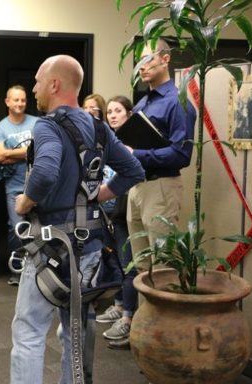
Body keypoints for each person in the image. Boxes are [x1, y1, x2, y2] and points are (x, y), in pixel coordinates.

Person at [10, 55, 144, 383]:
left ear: (55, 84)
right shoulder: (97, 126)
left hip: (52, 248)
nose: (35, 88)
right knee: (76, 327)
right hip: (91, 248)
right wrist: (96, 196)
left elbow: (43, 172)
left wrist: (24, 203)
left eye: (39, 81)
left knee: (29, 331)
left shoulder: (47, 125)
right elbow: (133, 170)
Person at [126, 38, 196, 271]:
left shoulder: (178, 102)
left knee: (163, 267)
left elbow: (181, 154)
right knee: (141, 266)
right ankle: (143, 310)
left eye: (148, 58)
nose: (142, 66)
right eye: (139, 61)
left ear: (165, 59)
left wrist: (136, 153)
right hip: (137, 186)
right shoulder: (142, 103)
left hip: (161, 187)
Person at [95, 95, 138, 351]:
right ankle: (121, 305)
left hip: (125, 212)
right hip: (111, 214)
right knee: (120, 264)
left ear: (129, 115)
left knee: (129, 266)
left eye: (118, 111)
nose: (112, 115)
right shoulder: (110, 142)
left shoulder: (132, 144)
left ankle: (128, 318)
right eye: (109, 111)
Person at [0, 85, 37, 286]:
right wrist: (26, 152)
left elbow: (38, 151)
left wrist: (11, 153)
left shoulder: (37, 123)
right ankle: (17, 270)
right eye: (16, 100)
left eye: (23, 100)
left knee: (38, 226)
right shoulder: (0, 128)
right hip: (13, 186)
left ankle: (36, 270)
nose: (20, 103)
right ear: (7, 102)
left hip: (36, 184)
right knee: (16, 227)